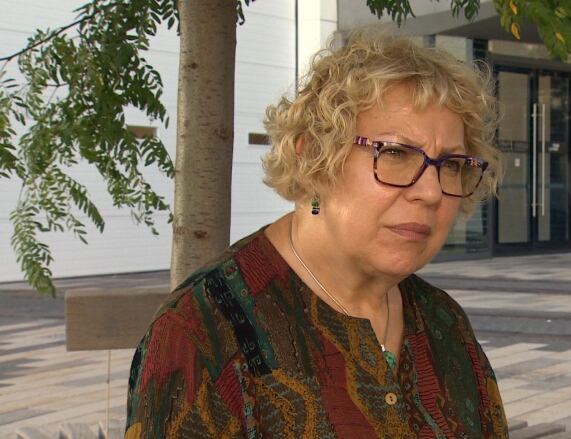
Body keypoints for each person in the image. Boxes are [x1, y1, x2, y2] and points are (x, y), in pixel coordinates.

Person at [125, 29, 507, 438]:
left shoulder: (443, 322)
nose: (431, 192)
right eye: (395, 153)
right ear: (313, 158)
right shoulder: (202, 335)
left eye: (451, 164)